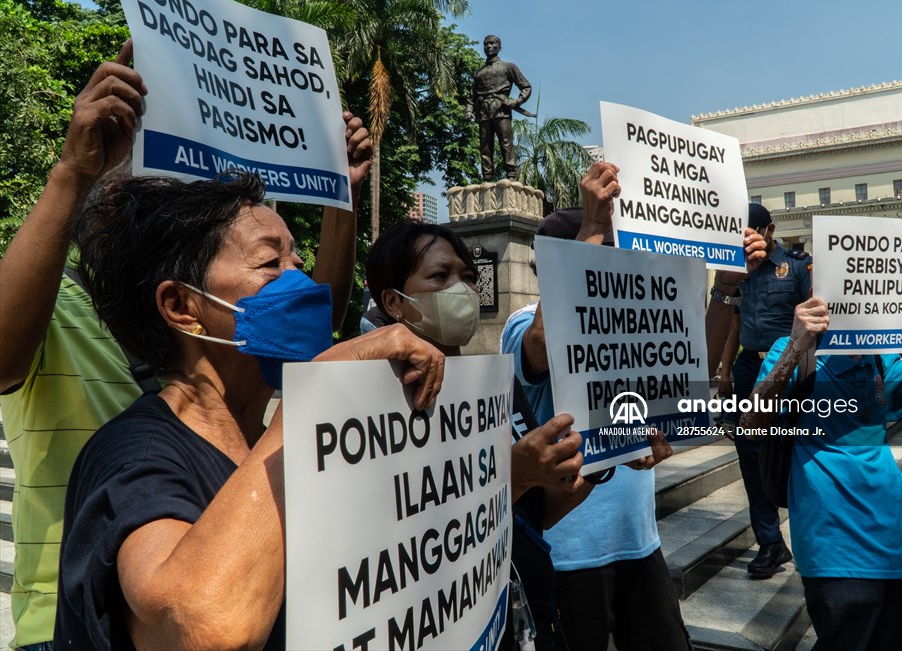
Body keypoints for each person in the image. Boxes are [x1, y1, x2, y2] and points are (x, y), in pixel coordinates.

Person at [0, 41, 371, 651]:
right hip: (75, 618)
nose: (145, 195)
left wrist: (339, 196)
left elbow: (304, 318)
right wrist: (73, 170)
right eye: (128, 177)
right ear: (177, 305)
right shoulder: (51, 309)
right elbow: (199, 619)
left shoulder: (242, 379)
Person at [52, 170, 443, 650]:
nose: (299, 280)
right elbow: (207, 625)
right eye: (269, 264)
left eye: (296, 258)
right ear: (182, 307)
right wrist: (312, 399)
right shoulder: (133, 458)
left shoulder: (269, 438)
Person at [502, 162, 721, 651]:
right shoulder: (521, 324)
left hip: (637, 540)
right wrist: (594, 229)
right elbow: (543, 341)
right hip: (572, 553)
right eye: (602, 256)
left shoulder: (625, 320)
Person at [364, 220, 594, 651]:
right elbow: (407, 541)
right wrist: (517, 474)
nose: (463, 288)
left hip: (516, 618)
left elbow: (534, 516)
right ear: (394, 302)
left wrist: (605, 458)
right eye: (439, 276)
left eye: (469, 277)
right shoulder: (372, 406)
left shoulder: (495, 386)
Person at [744, 298, 902, 650]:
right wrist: (796, 346)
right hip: (832, 543)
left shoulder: (880, 357)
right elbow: (750, 423)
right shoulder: (797, 351)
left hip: (891, 544)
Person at [715, 203, 812, 578]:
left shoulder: (799, 266)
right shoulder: (736, 269)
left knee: (794, 451)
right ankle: (770, 543)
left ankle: (809, 537)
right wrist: (726, 370)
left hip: (788, 372)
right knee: (751, 457)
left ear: (769, 229)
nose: (744, 238)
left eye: (751, 230)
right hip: (748, 369)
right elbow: (734, 322)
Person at [470, 34, 532, 181]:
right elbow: (471, 96)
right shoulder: (478, 73)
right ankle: (487, 176)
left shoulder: (508, 67)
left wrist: (516, 102)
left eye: (492, 43)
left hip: (501, 110)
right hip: (483, 111)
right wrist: (468, 111)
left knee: (506, 143)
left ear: (499, 47)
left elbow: (526, 86)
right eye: (486, 44)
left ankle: (511, 174)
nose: (489, 46)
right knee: (485, 146)